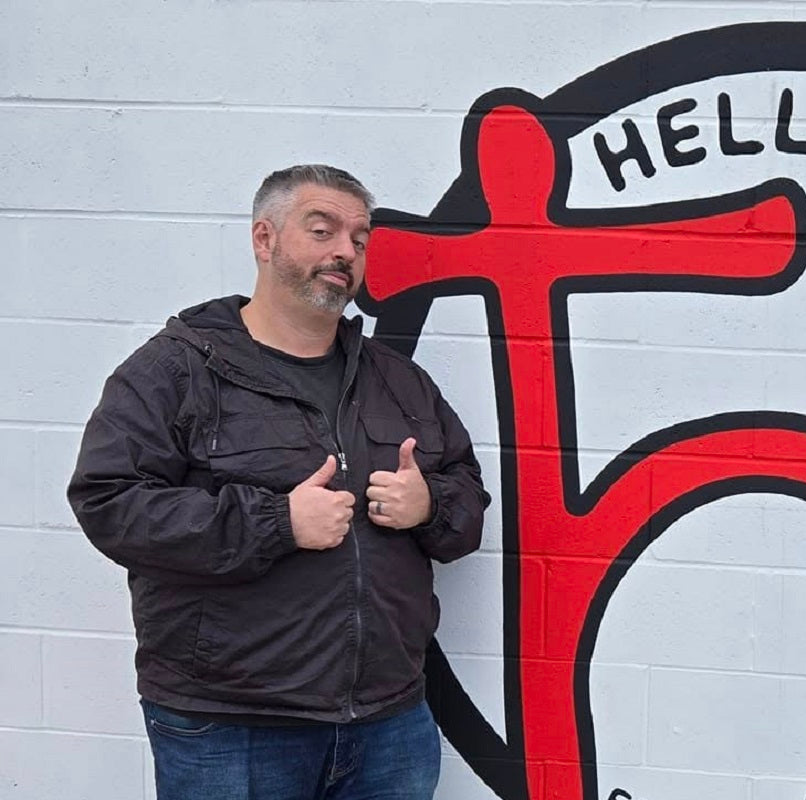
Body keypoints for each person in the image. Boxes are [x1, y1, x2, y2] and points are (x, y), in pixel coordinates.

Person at [68, 165, 490, 800]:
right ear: (264, 240)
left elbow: (466, 497)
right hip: (231, 728)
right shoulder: (176, 370)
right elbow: (109, 501)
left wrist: (430, 505)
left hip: (389, 722)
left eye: (360, 238)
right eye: (322, 230)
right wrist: (275, 522)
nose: (345, 251)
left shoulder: (398, 381)